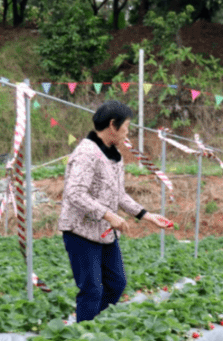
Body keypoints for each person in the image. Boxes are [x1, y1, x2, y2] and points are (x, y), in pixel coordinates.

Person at [58, 101, 172, 322]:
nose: (128, 132)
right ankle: (83, 337)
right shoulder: (86, 153)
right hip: (80, 231)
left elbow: (119, 195)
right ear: (113, 125)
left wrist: (146, 215)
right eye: (126, 126)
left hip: (105, 232)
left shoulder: (113, 156)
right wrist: (108, 214)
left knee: (116, 284)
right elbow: (75, 192)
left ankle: (95, 325)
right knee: (91, 289)